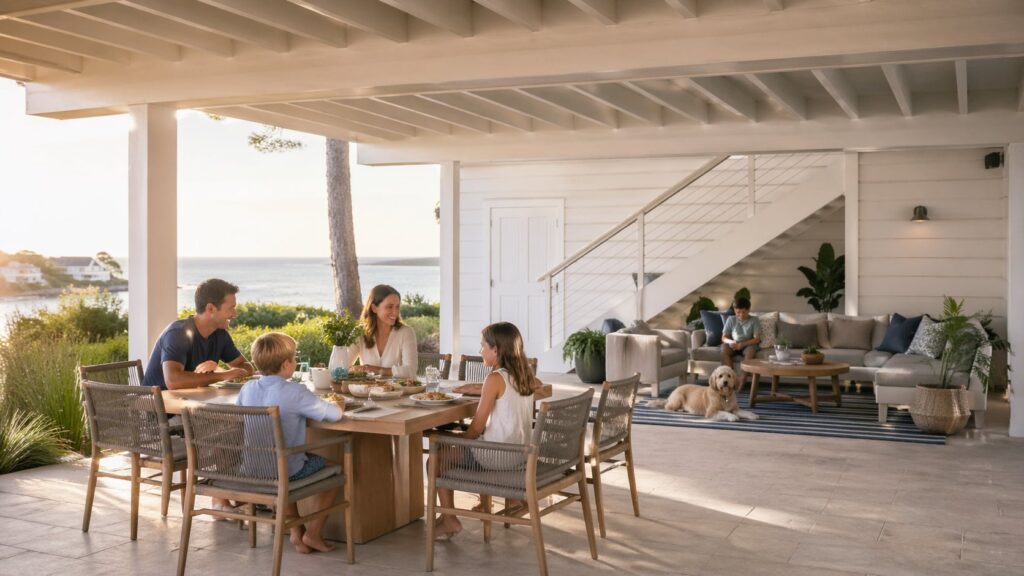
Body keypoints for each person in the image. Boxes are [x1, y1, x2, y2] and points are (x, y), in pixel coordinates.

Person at [236, 332, 346, 554]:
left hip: (251, 469)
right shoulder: (295, 392)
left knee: (284, 460)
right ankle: (313, 534)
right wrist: (341, 403)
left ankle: (296, 533)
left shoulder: (247, 388)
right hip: (284, 470)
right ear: (286, 364)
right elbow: (334, 415)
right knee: (334, 471)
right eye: (294, 358)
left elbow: (240, 418)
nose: (295, 362)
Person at [432, 322, 542, 541]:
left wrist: (460, 441)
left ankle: (448, 520)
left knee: (435, 458)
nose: (479, 350)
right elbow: (529, 387)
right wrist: (481, 388)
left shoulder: (494, 379)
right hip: (520, 454)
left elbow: (475, 429)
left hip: (495, 456)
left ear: (496, 350)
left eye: (483, 345)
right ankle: (469, 510)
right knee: (452, 443)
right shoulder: (526, 376)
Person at [143, 278, 254, 390]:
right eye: (231, 308)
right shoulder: (178, 333)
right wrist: (223, 375)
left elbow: (246, 367)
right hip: (155, 403)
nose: (234, 314)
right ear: (210, 308)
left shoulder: (220, 334)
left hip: (189, 401)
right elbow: (173, 381)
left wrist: (224, 371)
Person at [347, 284, 418, 378]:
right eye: (389, 307)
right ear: (374, 308)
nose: (395, 312)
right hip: (367, 391)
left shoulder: (406, 332)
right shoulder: (359, 332)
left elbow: (410, 371)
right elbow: (343, 366)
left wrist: (377, 370)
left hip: (399, 391)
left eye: (397, 306)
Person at [720, 297, 761, 382]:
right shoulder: (731, 319)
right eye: (738, 312)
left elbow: (756, 339)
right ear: (734, 310)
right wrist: (731, 342)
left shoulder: (754, 320)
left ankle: (742, 380)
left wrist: (742, 345)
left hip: (748, 345)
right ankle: (730, 378)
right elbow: (724, 337)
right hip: (734, 345)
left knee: (751, 351)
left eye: (744, 312)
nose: (741, 315)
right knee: (724, 349)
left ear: (749, 310)